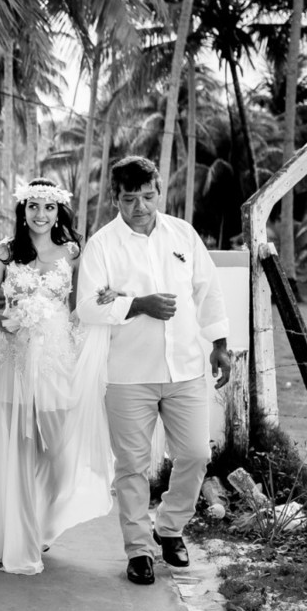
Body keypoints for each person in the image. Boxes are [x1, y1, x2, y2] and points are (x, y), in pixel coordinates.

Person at [76, 156, 231, 586]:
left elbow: (208, 291)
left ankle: (169, 527)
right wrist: (138, 305)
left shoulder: (183, 234)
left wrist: (220, 344)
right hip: (128, 374)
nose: (140, 206)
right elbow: (87, 306)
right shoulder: (102, 246)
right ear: (115, 198)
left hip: (186, 368)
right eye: (130, 198)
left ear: (159, 192)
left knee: (196, 454)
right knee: (131, 465)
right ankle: (139, 550)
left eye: (148, 196)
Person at [0, 178, 117, 575]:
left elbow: (80, 308)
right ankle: (21, 538)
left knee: (58, 455)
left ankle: (41, 523)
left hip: (57, 361)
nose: (41, 214)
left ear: (59, 211)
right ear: (23, 210)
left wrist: (102, 300)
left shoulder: (73, 253)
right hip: (12, 361)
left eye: (49, 207)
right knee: (18, 453)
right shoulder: (4, 253)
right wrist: (13, 324)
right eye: (33, 206)